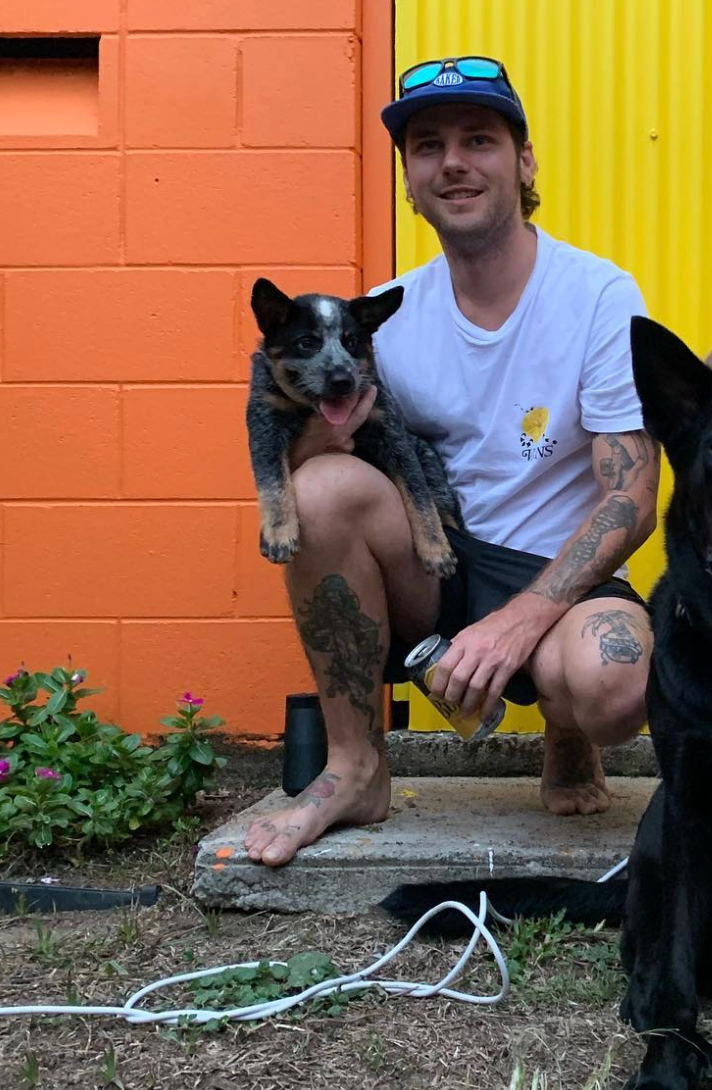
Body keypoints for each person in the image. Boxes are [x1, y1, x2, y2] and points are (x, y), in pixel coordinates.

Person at [245, 55, 658, 868]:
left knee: (619, 683)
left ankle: (570, 733)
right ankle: (356, 767)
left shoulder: (599, 297)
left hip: (554, 574)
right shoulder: (381, 320)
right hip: (433, 566)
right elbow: (318, 457)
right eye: (428, 147)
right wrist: (312, 436)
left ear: (525, 160)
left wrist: (518, 620)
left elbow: (631, 498)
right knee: (322, 488)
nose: (454, 162)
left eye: (480, 139)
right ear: (409, 179)